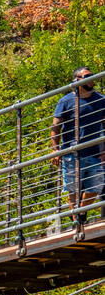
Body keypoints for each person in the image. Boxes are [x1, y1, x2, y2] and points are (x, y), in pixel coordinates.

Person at [52, 67, 105, 224]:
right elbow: (55, 128)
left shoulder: (101, 100)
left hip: (94, 152)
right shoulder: (66, 101)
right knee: (73, 188)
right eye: (86, 76)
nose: (91, 79)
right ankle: (77, 220)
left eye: (92, 76)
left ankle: (80, 214)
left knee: (96, 185)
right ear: (76, 80)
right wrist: (55, 150)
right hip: (71, 152)